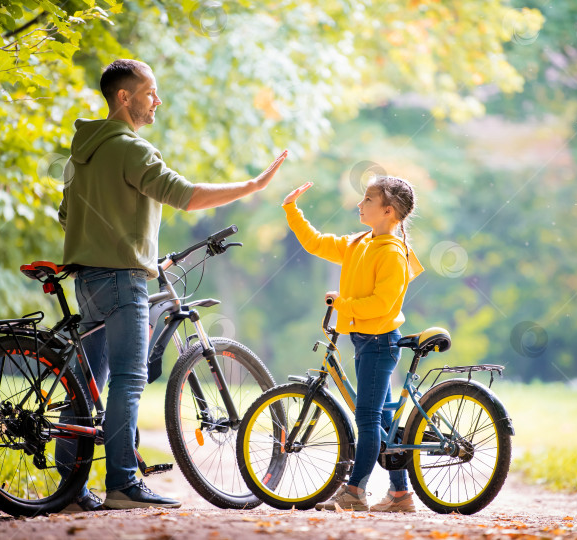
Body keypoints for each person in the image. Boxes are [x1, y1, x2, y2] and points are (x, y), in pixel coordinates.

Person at [56, 59, 287, 512]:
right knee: (128, 379)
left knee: (87, 383)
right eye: (150, 92)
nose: (156, 101)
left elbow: (69, 216)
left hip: (88, 279)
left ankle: (69, 491)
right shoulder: (131, 149)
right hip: (123, 282)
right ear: (125, 97)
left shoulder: (81, 152)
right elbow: (187, 195)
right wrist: (254, 185)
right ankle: (122, 482)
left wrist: (132, 246)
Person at [281, 177, 424, 513]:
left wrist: (342, 303)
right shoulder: (361, 242)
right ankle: (400, 496)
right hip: (365, 341)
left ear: (388, 211)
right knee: (382, 422)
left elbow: (381, 305)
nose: (360, 204)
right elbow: (317, 243)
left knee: (368, 419)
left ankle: (355, 492)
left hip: (378, 343)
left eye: (368, 199)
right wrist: (291, 210)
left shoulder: (391, 253)